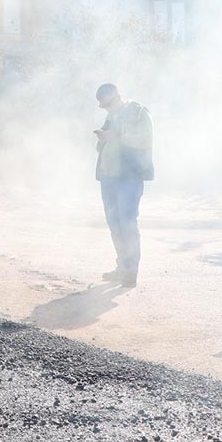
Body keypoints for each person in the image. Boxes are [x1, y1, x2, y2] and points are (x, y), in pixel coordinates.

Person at [93, 83, 154, 288]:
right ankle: (121, 266)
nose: (106, 108)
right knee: (114, 223)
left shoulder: (137, 112)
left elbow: (145, 140)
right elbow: (105, 143)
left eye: (108, 103)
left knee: (128, 222)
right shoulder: (110, 117)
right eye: (103, 106)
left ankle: (130, 272)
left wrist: (117, 137)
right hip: (109, 176)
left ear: (117, 97)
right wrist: (103, 138)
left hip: (129, 177)